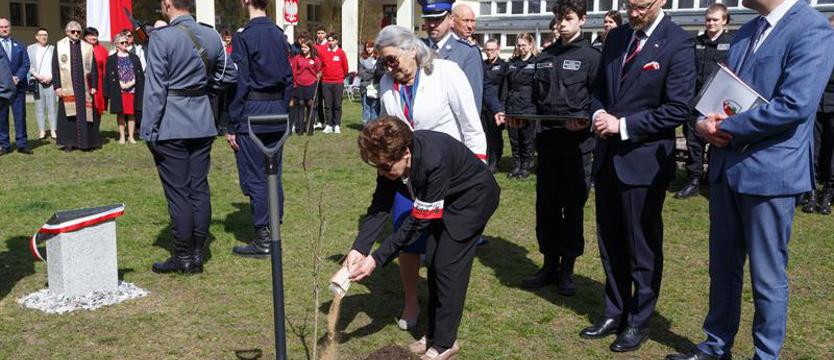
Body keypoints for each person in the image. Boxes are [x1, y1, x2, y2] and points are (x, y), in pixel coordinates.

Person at [666, 0, 834, 358]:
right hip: (728, 168)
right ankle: (715, 346)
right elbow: (719, 89)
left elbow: (795, 104)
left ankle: (765, 354)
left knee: (767, 276)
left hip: (772, 173)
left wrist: (727, 127)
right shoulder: (747, 30)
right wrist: (701, 122)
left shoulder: (811, 28)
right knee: (722, 268)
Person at [584, 0, 695, 353]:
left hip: (644, 163)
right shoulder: (617, 38)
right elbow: (599, 88)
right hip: (607, 160)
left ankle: (639, 320)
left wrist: (623, 126)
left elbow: (677, 108)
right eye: (629, 5)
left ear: (661, 2)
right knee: (611, 241)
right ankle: (613, 311)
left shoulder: (678, 42)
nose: (633, 13)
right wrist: (599, 111)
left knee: (641, 247)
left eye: (641, 6)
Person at [346, 116, 499, 360]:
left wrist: (376, 259)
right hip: (446, 199)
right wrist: (360, 248)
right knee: (435, 262)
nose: (382, 173)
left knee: (447, 266)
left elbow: (418, 223)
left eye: (385, 167)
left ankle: (445, 343)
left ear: (405, 152)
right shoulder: (389, 160)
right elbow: (380, 205)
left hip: (472, 200)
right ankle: (435, 334)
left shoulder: (432, 161)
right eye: (377, 167)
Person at [375, 24, 487, 332]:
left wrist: (475, 177)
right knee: (406, 237)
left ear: (412, 49)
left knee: (441, 248)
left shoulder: (447, 72)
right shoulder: (387, 83)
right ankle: (411, 300)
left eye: (392, 59)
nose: (389, 67)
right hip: (409, 176)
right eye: (384, 62)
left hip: (447, 174)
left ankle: (441, 315)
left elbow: (471, 125)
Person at [140, 0, 237, 274]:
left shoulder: (162, 37)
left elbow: (156, 88)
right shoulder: (211, 35)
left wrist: (148, 129)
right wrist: (205, 91)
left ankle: (183, 257)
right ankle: (197, 254)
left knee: (178, 192)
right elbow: (229, 73)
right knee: (198, 188)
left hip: (171, 124)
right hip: (203, 122)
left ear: (168, 4)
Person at [515, 0, 599, 296]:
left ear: (583, 21)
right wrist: (521, 117)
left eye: (569, 18)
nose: (562, 24)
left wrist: (587, 120)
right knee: (546, 206)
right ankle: (549, 263)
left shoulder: (592, 57)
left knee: (572, 207)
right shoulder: (546, 56)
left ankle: (568, 269)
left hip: (577, 144)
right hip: (548, 141)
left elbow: (598, 99)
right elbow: (533, 96)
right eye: (559, 19)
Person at [226, 0, 293, 258]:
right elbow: (288, 78)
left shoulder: (246, 36)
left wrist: (232, 123)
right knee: (273, 172)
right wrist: (283, 108)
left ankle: (264, 238)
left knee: (255, 175)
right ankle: (273, 229)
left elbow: (240, 82)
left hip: (253, 111)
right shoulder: (278, 34)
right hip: (277, 109)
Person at [675, 4, 733, 200]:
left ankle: (713, 177)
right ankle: (693, 179)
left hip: (718, 102)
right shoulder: (695, 42)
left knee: (717, 140)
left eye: (715, 20)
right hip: (695, 99)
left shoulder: (732, 44)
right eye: (708, 19)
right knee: (693, 141)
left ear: (724, 21)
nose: (711, 23)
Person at [421, 0, 483, 112]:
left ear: (451, 19)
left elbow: (472, 100)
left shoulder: (467, 52)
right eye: (428, 19)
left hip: (451, 126)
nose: (432, 24)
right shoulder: (417, 49)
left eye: (437, 19)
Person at [54, 21, 102, 152]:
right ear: (67, 32)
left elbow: (93, 69)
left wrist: (94, 85)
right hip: (67, 86)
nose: (76, 34)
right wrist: (57, 87)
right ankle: (69, 143)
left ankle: (87, 143)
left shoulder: (87, 47)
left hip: (84, 87)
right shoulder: (59, 46)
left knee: (87, 115)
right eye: (73, 31)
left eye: (78, 32)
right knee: (68, 116)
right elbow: (56, 69)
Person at [497, 33, 539, 179]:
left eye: (523, 45)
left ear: (530, 45)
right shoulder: (512, 62)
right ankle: (516, 165)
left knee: (526, 138)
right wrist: (503, 106)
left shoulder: (536, 62)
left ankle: (526, 166)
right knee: (514, 138)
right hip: (512, 105)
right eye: (519, 45)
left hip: (528, 105)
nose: (521, 48)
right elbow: (505, 86)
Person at [806, 15, 834, 215]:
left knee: (832, 152)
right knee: (813, 149)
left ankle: (828, 193)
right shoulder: (818, 50)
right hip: (816, 105)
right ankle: (812, 191)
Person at [104, 32, 144, 144]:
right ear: (116, 44)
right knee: (120, 113)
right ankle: (122, 136)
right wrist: (119, 85)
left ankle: (131, 136)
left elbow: (140, 74)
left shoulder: (134, 58)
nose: (125, 44)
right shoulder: (111, 59)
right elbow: (108, 76)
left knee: (131, 113)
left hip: (132, 89)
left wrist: (132, 82)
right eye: (122, 42)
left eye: (126, 42)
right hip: (118, 90)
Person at [0, 18, 30, 155]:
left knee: (20, 116)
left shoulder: (20, 45)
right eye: (1, 27)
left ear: (10, 28)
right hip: (2, 89)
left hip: (18, 87)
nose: (4, 29)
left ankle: (22, 144)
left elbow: (26, 64)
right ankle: (4, 145)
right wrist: (6, 79)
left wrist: (17, 77)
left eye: (6, 26)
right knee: (2, 117)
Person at [481, 38, 507, 173]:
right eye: (487, 50)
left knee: (495, 136)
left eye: (492, 50)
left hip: (496, 107)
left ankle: (495, 161)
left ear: (498, 50)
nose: (489, 52)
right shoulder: (482, 65)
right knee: (484, 135)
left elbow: (505, 88)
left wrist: (501, 108)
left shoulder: (503, 66)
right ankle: (485, 159)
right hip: (483, 106)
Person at [27, 28, 57, 140]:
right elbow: (29, 64)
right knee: (39, 106)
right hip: (37, 80)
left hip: (51, 81)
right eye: (41, 35)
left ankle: (54, 129)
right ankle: (42, 130)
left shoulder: (53, 49)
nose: (44, 37)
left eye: (46, 35)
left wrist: (51, 77)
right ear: (36, 36)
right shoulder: (30, 48)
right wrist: (38, 76)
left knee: (52, 106)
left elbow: (56, 65)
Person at [290, 38, 321, 135]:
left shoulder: (315, 59)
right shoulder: (297, 58)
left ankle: (309, 128)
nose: (303, 49)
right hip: (299, 85)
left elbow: (318, 70)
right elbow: (294, 72)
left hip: (311, 84)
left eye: (305, 47)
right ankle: (299, 129)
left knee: (311, 105)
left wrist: (319, 75)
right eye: (302, 47)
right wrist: (294, 84)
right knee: (300, 105)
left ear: (310, 48)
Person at [319, 33, 348, 134]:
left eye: (332, 40)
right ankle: (328, 125)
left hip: (338, 82)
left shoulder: (341, 53)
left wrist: (339, 77)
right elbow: (321, 66)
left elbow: (345, 68)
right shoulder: (324, 52)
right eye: (329, 41)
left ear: (336, 41)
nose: (330, 42)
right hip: (326, 82)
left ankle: (336, 125)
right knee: (327, 105)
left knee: (337, 105)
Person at [84, 27, 108, 117]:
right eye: (90, 35)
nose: (93, 37)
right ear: (85, 37)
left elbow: (106, 69)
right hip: (84, 82)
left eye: (95, 35)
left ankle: (95, 130)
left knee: (97, 108)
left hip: (99, 83)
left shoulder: (102, 50)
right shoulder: (80, 48)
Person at [357, 39, 382, 124]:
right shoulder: (361, 59)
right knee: (366, 107)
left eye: (371, 46)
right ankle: (366, 126)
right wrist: (372, 72)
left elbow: (379, 72)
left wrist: (369, 71)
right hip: (365, 87)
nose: (369, 49)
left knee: (375, 107)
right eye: (367, 47)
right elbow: (361, 74)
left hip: (376, 86)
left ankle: (374, 126)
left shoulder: (379, 59)